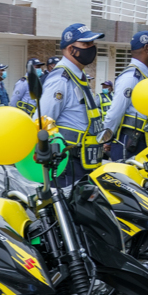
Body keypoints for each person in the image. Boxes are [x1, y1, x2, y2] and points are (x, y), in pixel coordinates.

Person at [38, 22, 106, 186]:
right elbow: (43, 121)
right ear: (70, 49)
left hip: (84, 160)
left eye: (92, 43)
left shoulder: (78, 76)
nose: (91, 47)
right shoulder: (60, 80)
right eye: (85, 44)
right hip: (69, 164)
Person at [103, 30, 148, 160]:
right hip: (129, 143)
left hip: (141, 140)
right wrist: (106, 139)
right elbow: (115, 112)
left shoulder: (144, 75)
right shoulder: (131, 77)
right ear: (146, 48)